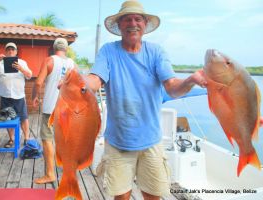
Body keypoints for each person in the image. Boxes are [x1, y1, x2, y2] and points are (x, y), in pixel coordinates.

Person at [84, 1, 207, 200]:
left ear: (145, 23)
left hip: (151, 141)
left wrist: (191, 79)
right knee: (121, 197)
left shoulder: (156, 52)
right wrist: (76, 81)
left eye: (137, 19)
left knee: (153, 195)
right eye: (127, 19)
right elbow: (95, 80)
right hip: (118, 141)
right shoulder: (108, 51)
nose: (133, 23)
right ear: (119, 25)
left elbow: (173, 88)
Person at [32, 38, 75, 184]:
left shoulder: (49, 60)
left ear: (53, 47)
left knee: (47, 139)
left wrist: (35, 97)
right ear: (66, 49)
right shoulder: (72, 64)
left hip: (50, 108)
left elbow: (38, 82)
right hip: (67, 108)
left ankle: (50, 174)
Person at [0, 42, 32, 148]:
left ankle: (27, 138)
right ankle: (11, 139)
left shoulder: (22, 62)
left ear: (16, 52)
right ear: (5, 52)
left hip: (19, 96)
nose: (10, 51)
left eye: (13, 49)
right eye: (8, 49)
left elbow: (29, 75)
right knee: (8, 119)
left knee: (24, 118)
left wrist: (21, 69)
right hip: (5, 97)